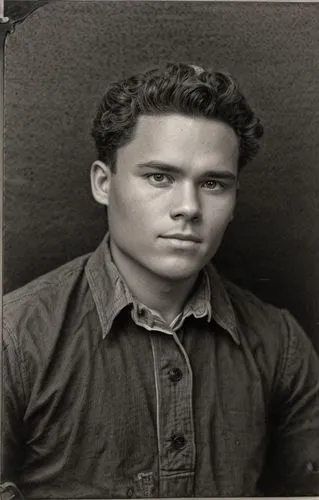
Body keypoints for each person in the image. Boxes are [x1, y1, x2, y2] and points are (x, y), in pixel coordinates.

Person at [2, 62, 319, 499]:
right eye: (159, 176)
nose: (188, 207)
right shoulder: (14, 338)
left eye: (212, 183)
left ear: (233, 201)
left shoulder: (281, 346)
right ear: (102, 183)